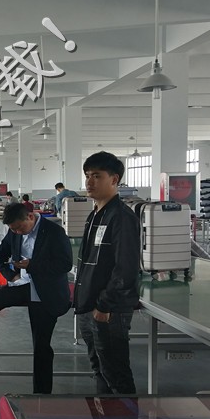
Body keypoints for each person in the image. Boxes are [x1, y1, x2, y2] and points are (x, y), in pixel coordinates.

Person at [0, 202, 72, 394]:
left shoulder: (54, 232)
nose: (17, 233)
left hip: (45, 289)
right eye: (13, 230)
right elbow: (0, 255)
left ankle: (41, 394)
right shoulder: (14, 231)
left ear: (30, 217)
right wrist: (10, 275)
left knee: (41, 344)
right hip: (22, 284)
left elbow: (65, 264)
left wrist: (32, 265)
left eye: (20, 228)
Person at [73, 151, 140, 395]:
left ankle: (126, 417)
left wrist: (105, 304)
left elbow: (126, 268)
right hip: (90, 305)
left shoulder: (121, 217)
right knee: (99, 368)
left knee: (115, 372)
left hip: (108, 310)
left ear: (114, 179)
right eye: (87, 176)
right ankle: (105, 416)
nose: (89, 182)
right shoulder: (95, 215)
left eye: (96, 176)